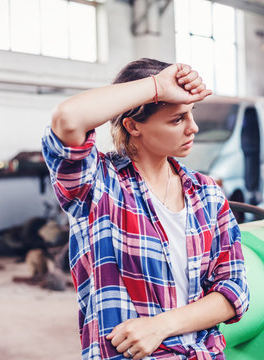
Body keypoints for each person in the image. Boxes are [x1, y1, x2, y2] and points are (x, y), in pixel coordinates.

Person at [42, 58, 249, 360]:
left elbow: (235, 291)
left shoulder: (206, 194)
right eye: (177, 119)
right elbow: (68, 118)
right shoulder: (99, 186)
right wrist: (157, 86)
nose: (194, 128)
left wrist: (160, 326)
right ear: (133, 125)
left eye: (191, 114)